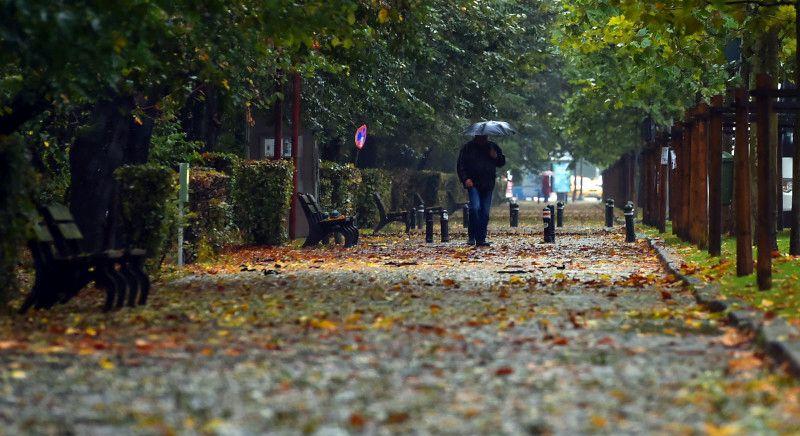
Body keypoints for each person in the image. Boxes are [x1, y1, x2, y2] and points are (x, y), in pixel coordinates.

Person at [456, 135, 506, 246]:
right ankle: (472, 236)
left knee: (485, 213)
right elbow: (460, 165)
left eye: (486, 136)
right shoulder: (468, 147)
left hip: (488, 185)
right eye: (482, 136)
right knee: (475, 208)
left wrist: (496, 156)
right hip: (473, 184)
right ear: (477, 135)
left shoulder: (493, 146)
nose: (485, 138)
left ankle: (481, 239)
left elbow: (502, 162)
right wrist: (465, 179)